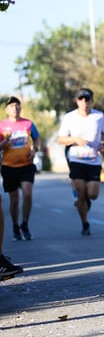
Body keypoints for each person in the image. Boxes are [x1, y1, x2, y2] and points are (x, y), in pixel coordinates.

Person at [57, 88, 104, 236]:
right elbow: (61, 139)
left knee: (92, 194)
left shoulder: (99, 116)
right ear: (77, 101)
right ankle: (85, 223)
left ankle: (86, 200)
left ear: (92, 101)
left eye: (87, 99)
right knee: (80, 191)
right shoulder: (69, 117)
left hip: (93, 160)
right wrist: (75, 139)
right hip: (76, 159)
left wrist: (102, 143)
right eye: (81, 99)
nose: (84, 102)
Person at [1, 96, 39, 241]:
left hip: (26, 165)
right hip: (9, 166)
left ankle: (25, 224)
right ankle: (15, 225)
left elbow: (36, 138)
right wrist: (6, 140)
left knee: (28, 194)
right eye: (11, 106)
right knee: (14, 200)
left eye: (17, 106)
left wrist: (34, 150)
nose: (15, 108)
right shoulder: (2, 126)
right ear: (6, 109)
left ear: (20, 108)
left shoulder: (28, 124)